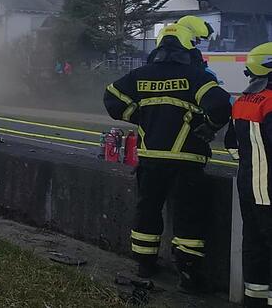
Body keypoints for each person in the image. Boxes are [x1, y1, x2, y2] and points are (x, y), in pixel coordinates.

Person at [104, 23, 232, 292]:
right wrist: (208, 127)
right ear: (188, 47)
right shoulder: (196, 78)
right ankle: (188, 274)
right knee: (188, 215)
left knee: (148, 209)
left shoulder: (140, 76)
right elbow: (221, 105)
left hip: (150, 158)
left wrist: (139, 117)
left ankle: (145, 264)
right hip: (187, 160)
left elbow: (112, 98)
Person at [225, 43, 272, 306]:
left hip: (249, 187)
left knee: (255, 245)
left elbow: (232, 144)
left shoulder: (243, 101)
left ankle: (254, 300)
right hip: (269, 188)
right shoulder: (271, 102)